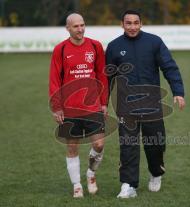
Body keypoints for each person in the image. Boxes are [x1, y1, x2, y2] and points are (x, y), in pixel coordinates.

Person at [106, 10, 185, 198]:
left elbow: (169, 67)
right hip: (126, 106)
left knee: (155, 142)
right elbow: (107, 77)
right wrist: (102, 103)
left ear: (141, 23)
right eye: (128, 23)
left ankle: (156, 173)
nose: (132, 26)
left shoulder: (154, 42)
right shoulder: (114, 46)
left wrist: (178, 92)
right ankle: (128, 184)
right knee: (128, 144)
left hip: (152, 104)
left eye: (135, 23)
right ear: (122, 24)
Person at [49, 13, 108, 198]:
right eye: (76, 26)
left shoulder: (95, 46)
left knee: (99, 144)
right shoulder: (60, 49)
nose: (80, 29)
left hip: (92, 106)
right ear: (68, 28)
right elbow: (54, 79)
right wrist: (57, 106)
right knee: (72, 148)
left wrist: (104, 102)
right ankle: (77, 185)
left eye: (82, 25)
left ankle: (91, 174)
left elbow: (102, 75)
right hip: (69, 108)